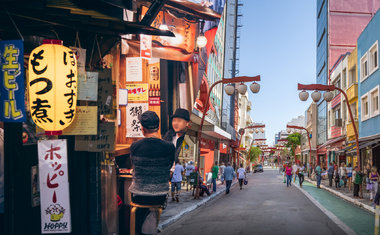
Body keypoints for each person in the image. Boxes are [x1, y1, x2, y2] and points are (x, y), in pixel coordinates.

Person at [128, 111, 175, 234]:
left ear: (142, 129)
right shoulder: (170, 147)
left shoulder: (135, 146)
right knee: (153, 212)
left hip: (139, 196)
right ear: (158, 127)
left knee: (137, 214)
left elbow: (134, 165)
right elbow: (168, 166)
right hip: (160, 196)